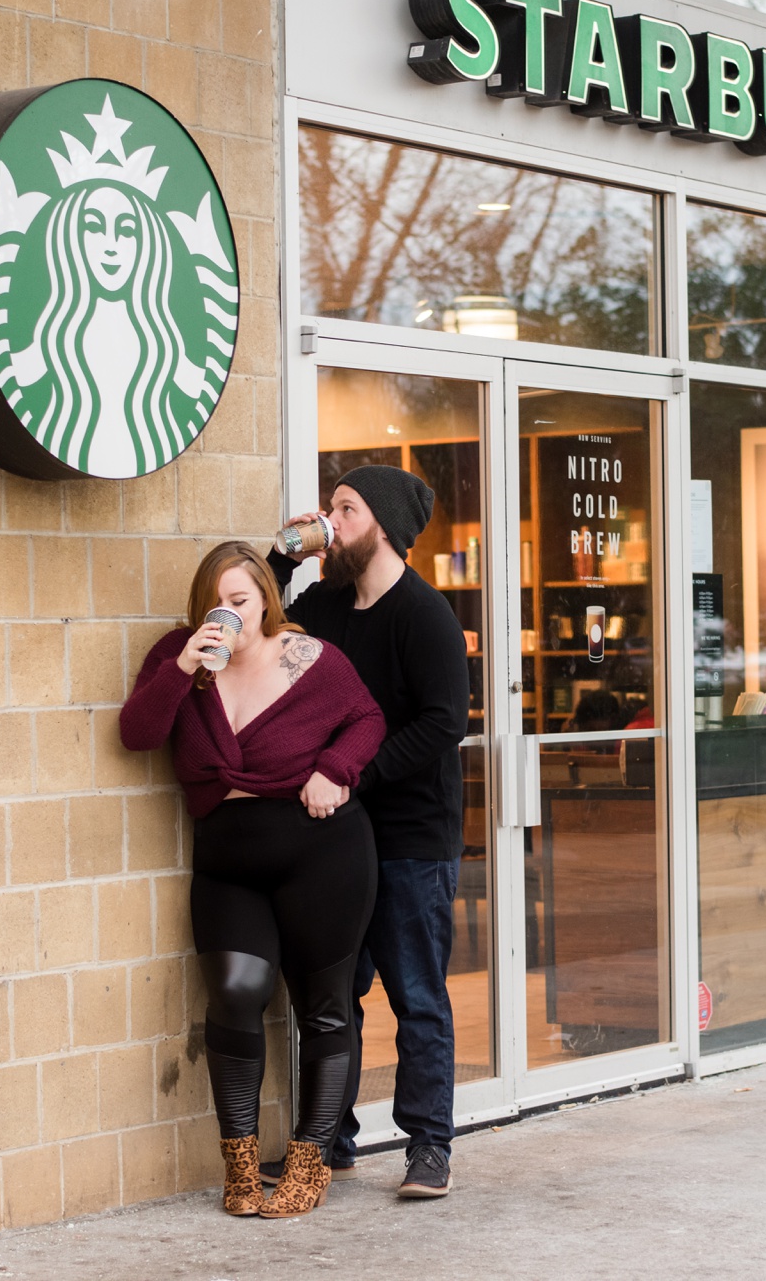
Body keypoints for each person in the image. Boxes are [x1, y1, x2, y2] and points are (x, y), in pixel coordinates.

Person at [119, 542, 385, 1219]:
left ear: (265, 598)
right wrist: (181, 669)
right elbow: (136, 732)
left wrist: (337, 769)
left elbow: (368, 719)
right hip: (228, 860)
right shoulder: (180, 659)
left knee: (324, 1008)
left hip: (323, 854)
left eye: (240, 601)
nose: (229, 614)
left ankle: (310, 1159)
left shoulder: (308, 660)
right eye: (217, 603)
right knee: (236, 993)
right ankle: (239, 1164)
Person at [264, 465, 470, 1200]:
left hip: (412, 835)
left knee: (415, 994)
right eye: (332, 508)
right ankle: (329, 1139)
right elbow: (263, 620)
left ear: (383, 524)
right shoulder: (325, 604)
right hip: (341, 835)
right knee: (335, 994)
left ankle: (429, 1147)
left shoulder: (424, 615)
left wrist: (355, 772)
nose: (333, 520)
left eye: (346, 509)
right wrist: (288, 553)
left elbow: (445, 723)